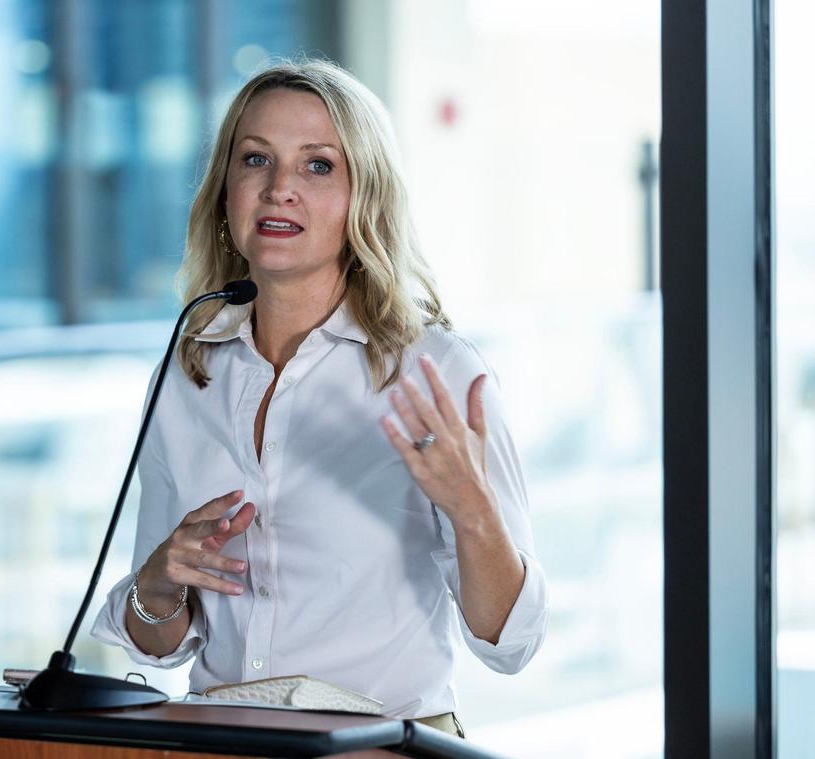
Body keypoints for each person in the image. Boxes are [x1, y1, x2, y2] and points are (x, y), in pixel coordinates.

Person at [91, 59, 547, 737]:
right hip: (223, 742)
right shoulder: (187, 372)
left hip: (384, 746)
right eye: (256, 160)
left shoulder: (435, 370)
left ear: (366, 197)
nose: (279, 189)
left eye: (318, 166)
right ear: (225, 192)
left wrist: (473, 513)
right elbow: (160, 642)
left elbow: (511, 643)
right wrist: (157, 583)